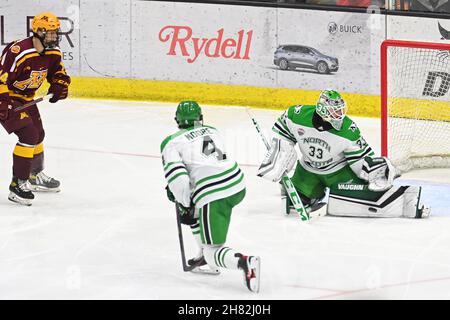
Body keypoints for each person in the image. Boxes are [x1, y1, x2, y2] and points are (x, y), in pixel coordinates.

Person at [258, 89, 430, 219]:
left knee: (362, 199)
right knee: (292, 206)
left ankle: (407, 200)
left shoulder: (348, 130)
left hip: (339, 173)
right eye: (335, 111)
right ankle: (309, 192)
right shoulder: (296, 115)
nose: (340, 114)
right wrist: (281, 153)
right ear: (322, 110)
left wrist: (372, 171)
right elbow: (283, 132)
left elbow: (360, 160)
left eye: (340, 110)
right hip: (308, 171)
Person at [161, 101, 260, 293]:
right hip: (237, 183)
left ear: (177, 121)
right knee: (196, 210)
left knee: (212, 248)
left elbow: (179, 179)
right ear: (200, 118)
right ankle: (203, 255)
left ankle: (243, 262)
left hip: (215, 194)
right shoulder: (211, 130)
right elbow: (214, 159)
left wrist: (184, 201)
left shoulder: (171, 142)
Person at [0, 12, 70, 206]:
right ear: (38, 32)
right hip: (7, 97)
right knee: (29, 135)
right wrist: (3, 103)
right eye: (50, 33)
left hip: (26, 98)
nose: (55, 37)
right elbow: (0, 77)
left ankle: (35, 175)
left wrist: (59, 85)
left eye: (56, 33)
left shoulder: (53, 53)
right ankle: (17, 184)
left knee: (38, 134)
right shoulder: (18, 51)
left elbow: (59, 73)